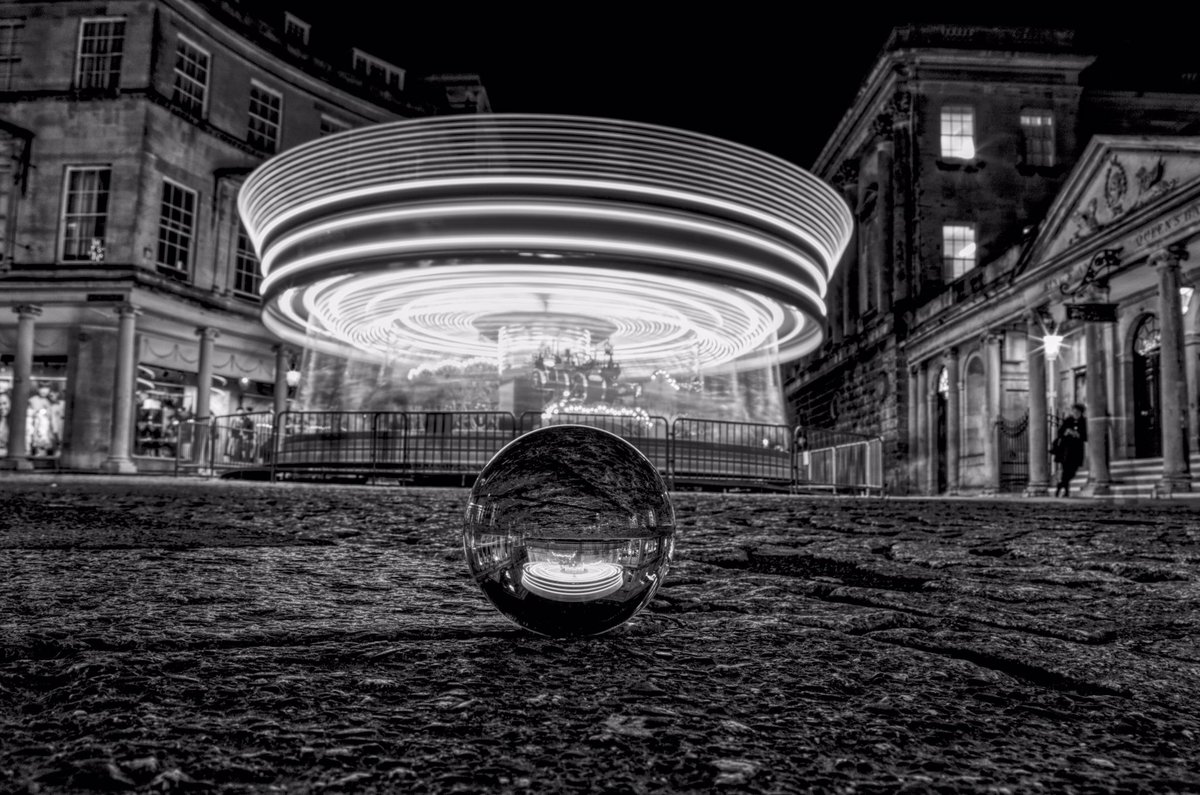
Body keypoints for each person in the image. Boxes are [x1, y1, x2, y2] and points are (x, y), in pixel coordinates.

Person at [1052, 403, 1087, 497]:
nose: (1075, 413)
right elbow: (1060, 432)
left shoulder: (1084, 421)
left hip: (1077, 450)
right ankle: (1066, 490)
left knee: (1072, 471)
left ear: (1081, 412)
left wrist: (1077, 434)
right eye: (1074, 411)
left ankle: (1060, 485)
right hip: (1066, 449)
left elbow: (1086, 436)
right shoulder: (1068, 420)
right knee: (1065, 469)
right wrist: (1066, 432)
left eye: (1077, 411)